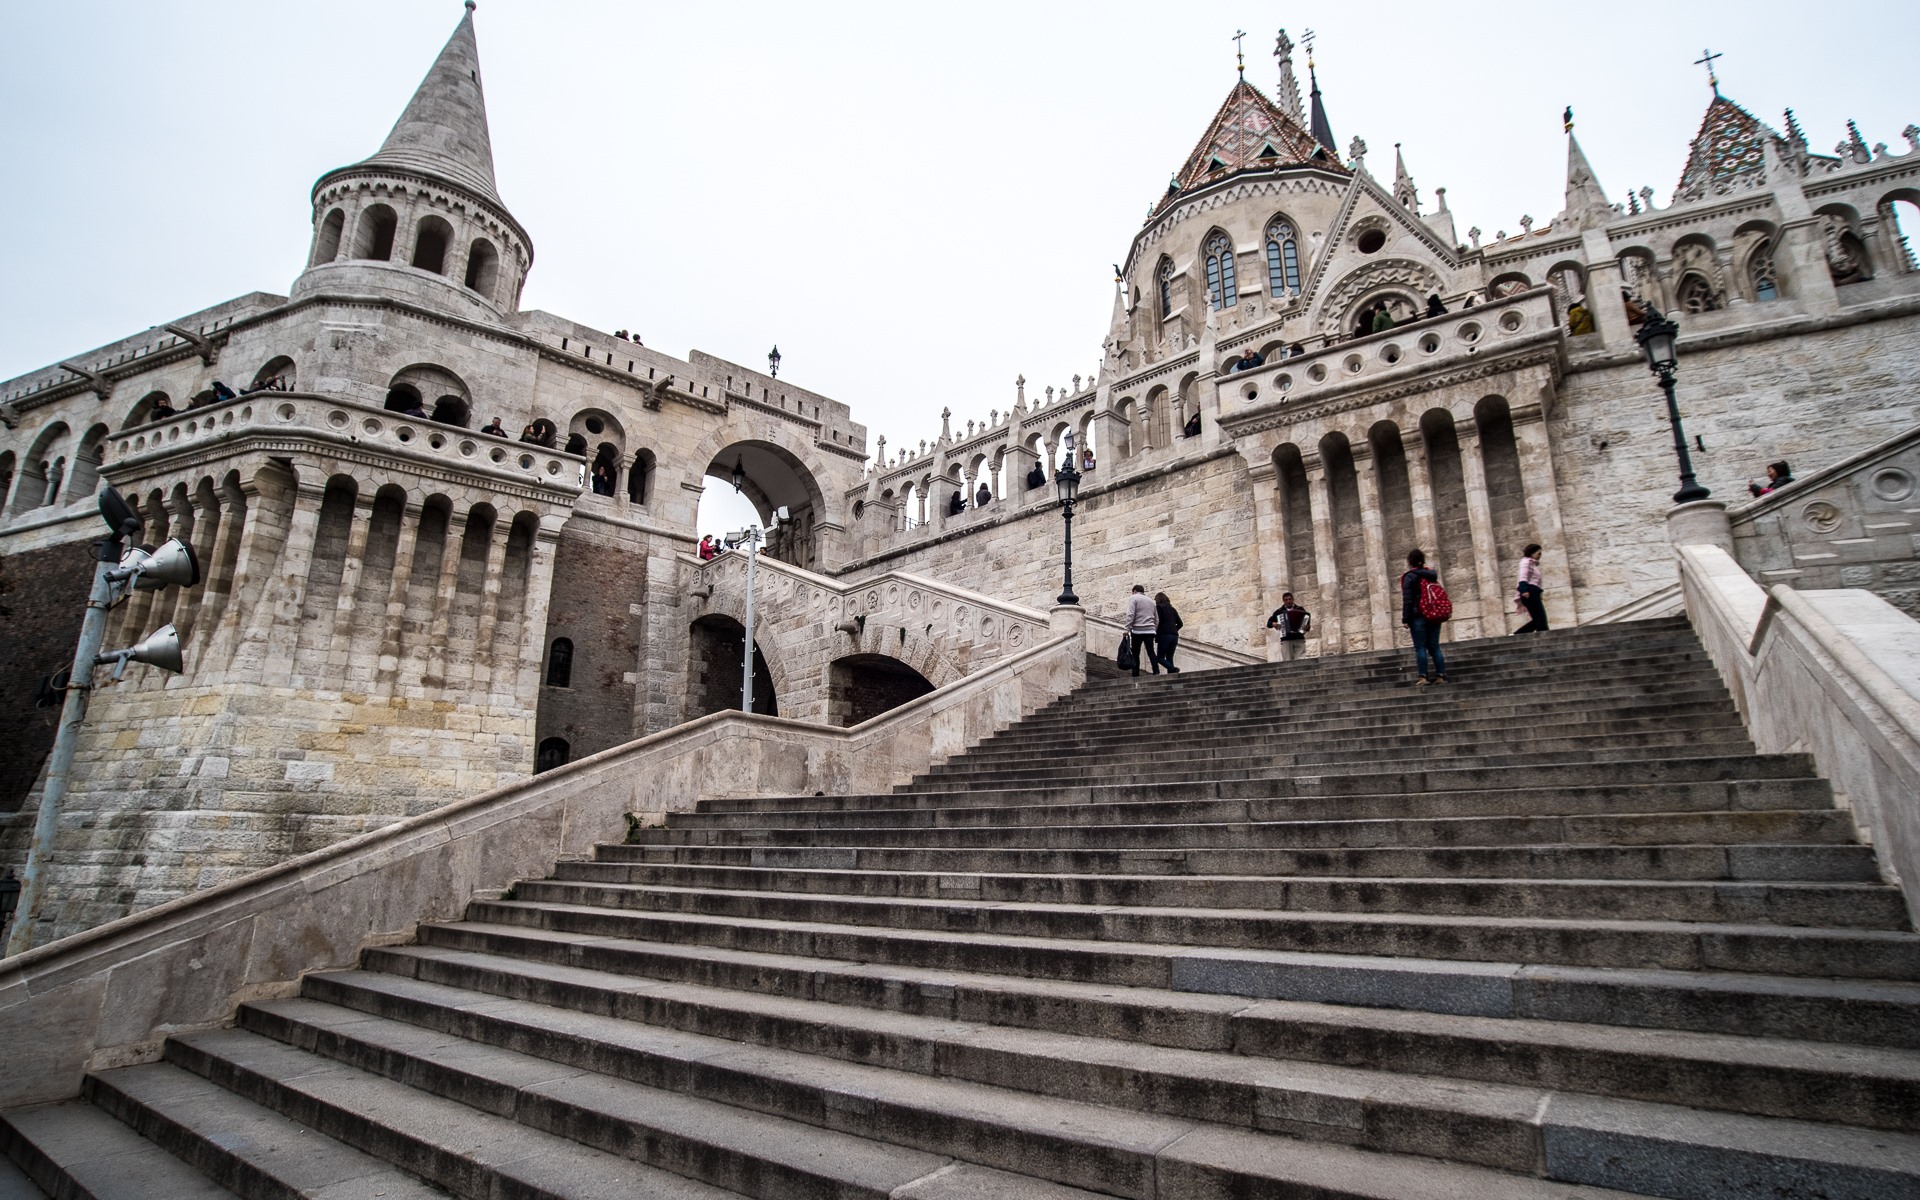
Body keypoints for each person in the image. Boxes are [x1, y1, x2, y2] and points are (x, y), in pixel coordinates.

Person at [1400, 548, 1447, 684]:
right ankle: (1440, 676)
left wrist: (1405, 618)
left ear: (1410, 562)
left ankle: (1423, 677)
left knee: (1420, 647)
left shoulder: (1410, 576)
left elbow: (1408, 599)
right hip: (1433, 614)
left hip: (1418, 616)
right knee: (1435, 646)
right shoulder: (1430, 575)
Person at [1124, 584, 1161, 677]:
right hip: (1150, 630)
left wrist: (1127, 629)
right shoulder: (1151, 601)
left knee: (1136, 652)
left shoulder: (1133, 598)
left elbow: (1130, 614)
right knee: (1151, 651)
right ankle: (1156, 670)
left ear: (1134, 591)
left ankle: (1135, 673)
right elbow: (1157, 618)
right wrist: (1154, 628)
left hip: (1138, 630)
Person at [1265, 592, 1312, 661]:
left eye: (1290, 599)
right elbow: (1269, 623)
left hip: (1299, 638)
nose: (1288, 601)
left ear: (1293, 599)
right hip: (1286, 639)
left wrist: (1307, 627)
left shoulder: (1300, 609)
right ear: (1283, 601)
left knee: (1301, 660)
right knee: (1287, 660)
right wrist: (1273, 624)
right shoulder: (1279, 612)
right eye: (1286, 600)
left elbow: (1307, 624)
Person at [1514, 543, 1548, 634]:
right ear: (1532, 553)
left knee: (1538, 619)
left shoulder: (1533, 564)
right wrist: (1524, 590)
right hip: (1529, 592)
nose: (1540, 556)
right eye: (1538, 553)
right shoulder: (1526, 562)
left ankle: (1517, 635)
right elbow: (1523, 576)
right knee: (1540, 619)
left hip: (1534, 592)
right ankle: (1518, 635)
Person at [1154, 591, 1183, 674]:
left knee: (1160, 657)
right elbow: (1180, 623)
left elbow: (1158, 621)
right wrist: (1173, 630)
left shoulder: (1158, 607)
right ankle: (1172, 674)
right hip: (1174, 636)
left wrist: (1156, 632)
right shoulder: (1173, 609)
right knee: (1169, 657)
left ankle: (1173, 669)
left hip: (1164, 635)